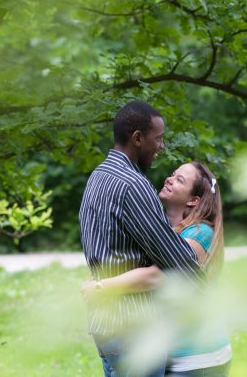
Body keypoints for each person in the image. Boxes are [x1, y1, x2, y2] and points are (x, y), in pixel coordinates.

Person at [79, 100, 205, 377]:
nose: (161, 146)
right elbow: (174, 256)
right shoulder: (133, 185)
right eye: (157, 139)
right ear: (138, 138)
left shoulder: (98, 177)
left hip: (105, 323)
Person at [82, 161, 231, 376]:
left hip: (197, 357)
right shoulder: (162, 231)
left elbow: (155, 276)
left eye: (179, 180)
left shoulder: (200, 233)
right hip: (170, 353)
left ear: (193, 200)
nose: (170, 179)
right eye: (172, 174)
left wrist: (101, 287)